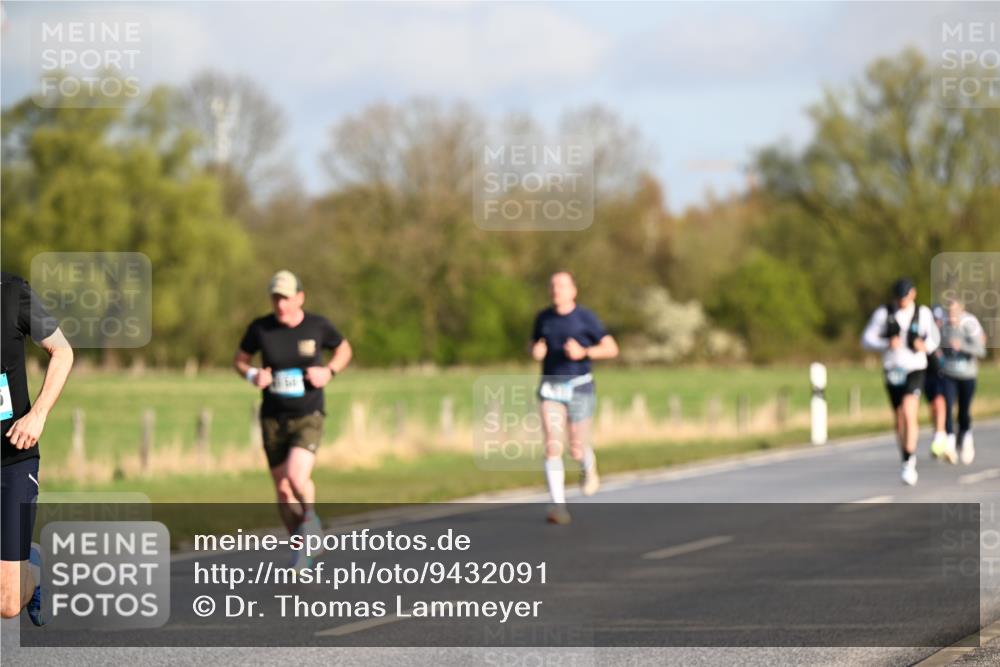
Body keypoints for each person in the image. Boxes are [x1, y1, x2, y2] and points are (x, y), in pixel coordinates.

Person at [234, 271, 352, 567]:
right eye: (275, 297)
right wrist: (252, 374)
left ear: (300, 297)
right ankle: (302, 546)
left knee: (296, 478)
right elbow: (240, 359)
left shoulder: (317, 326)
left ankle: (311, 523)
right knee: (284, 491)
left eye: (285, 297)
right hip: (273, 416)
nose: (280, 303)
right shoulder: (261, 328)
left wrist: (329, 371)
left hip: (308, 413)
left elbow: (343, 349)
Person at [1, 273, 73, 625]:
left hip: (12, 457)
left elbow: (63, 351)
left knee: (8, 603)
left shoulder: (13, 294)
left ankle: (32, 567)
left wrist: (37, 414)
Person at [532, 272, 618, 525]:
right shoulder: (543, 318)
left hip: (580, 386)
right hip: (550, 387)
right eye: (552, 286)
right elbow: (533, 344)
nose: (556, 290)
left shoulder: (585, 318)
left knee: (576, 447)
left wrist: (584, 352)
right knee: (551, 444)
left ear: (573, 291)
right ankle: (558, 507)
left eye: (561, 286)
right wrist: (535, 350)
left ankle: (587, 465)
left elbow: (612, 348)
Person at [862, 278, 940, 486]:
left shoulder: (922, 313)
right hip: (892, 370)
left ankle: (910, 459)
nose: (902, 302)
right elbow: (866, 339)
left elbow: (935, 338)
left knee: (908, 410)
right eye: (898, 298)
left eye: (904, 297)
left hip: (915, 368)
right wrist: (886, 343)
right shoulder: (884, 313)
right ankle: (905, 458)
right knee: (898, 418)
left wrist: (924, 345)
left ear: (912, 294)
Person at [938, 299, 987, 465]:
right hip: (949, 374)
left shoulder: (970, 324)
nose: (951, 315)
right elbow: (936, 346)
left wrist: (963, 347)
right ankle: (950, 444)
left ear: (961, 311)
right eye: (949, 312)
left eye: (955, 312)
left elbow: (981, 350)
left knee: (963, 411)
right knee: (947, 406)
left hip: (967, 375)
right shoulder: (943, 326)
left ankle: (966, 439)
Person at [926, 304, 957, 463]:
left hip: (948, 377)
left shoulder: (947, 334)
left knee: (944, 405)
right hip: (930, 376)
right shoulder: (926, 336)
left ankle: (945, 442)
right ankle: (940, 436)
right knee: (936, 406)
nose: (937, 323)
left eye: (938, 320)